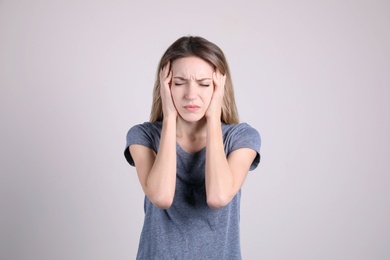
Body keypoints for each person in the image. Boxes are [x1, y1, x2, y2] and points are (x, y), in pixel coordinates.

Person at [124, 36, 261, 260]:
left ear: (219, 87)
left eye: (204, 84)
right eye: (179, 83)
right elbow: (161, 197)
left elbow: (218, 196)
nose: (190, 94)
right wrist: (169, 117)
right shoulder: (143, 136)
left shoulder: (241, 138)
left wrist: (213, 117)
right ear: (165, 86)